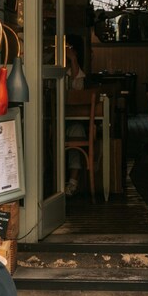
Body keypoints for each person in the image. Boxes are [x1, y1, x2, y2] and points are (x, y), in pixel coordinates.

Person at [64, 34, 88, 196]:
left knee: (77, 132)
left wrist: (72, 60)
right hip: (53, 121)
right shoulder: (51, 67)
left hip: (73, 120)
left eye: (69, 48)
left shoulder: (78, 74)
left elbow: (77, 89)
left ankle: (72, 182)